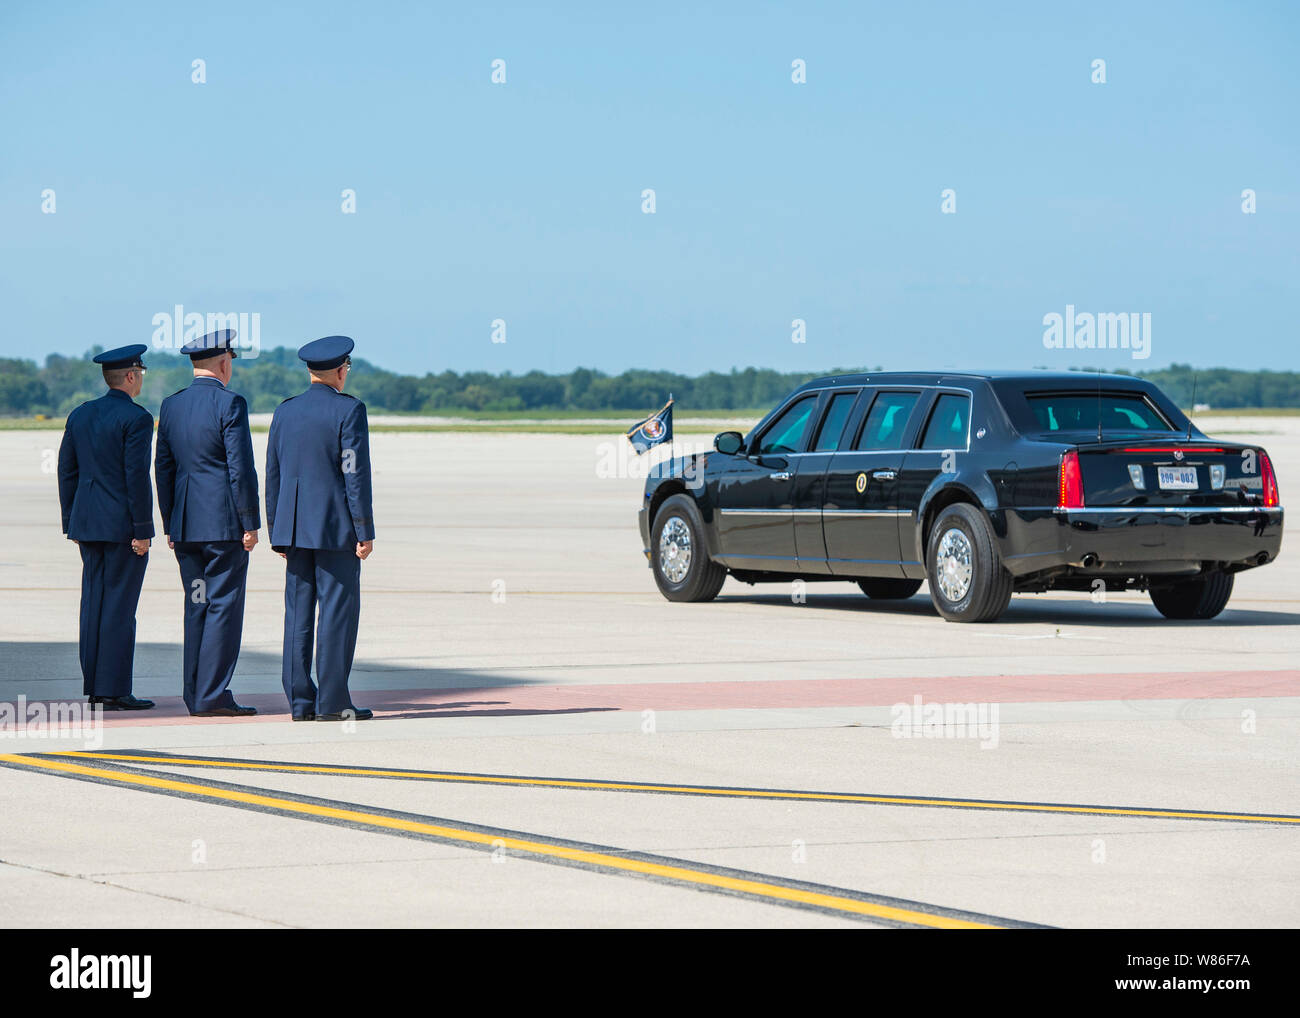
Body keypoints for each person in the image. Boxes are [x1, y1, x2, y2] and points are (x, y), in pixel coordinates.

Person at [266, 336, 375, 722]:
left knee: (297, 615)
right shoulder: (349, 410)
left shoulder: (286, 411)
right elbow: (353, 474)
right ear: (341, 370)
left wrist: (276, 529)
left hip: (294, 529)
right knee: (336, 613)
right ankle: (332, 702)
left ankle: (300, 702)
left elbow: (274, 473)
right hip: (333, 528)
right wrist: (364, 528)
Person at [155, 329, 260, 717]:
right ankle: (212, 694)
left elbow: (162, 468)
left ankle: (194, 691)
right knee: (223, 606)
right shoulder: (230, 403)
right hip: (222, 526)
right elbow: (240, 467)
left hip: (186, 527)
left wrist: (169, 522)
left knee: (197, 603)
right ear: (224, 363)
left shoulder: (172, 404)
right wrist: (250, 522)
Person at [57, 345, 156, 710]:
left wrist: (72, 519)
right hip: (121, 527)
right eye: (140, 374)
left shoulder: (80, 414)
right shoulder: (137, 418)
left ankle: (96, 687)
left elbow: (67, 471)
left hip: (87, 523)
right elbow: (136, 477)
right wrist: (143, 529)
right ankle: (114, 689)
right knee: (119, 607)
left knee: (93, 604)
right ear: (130, 376)